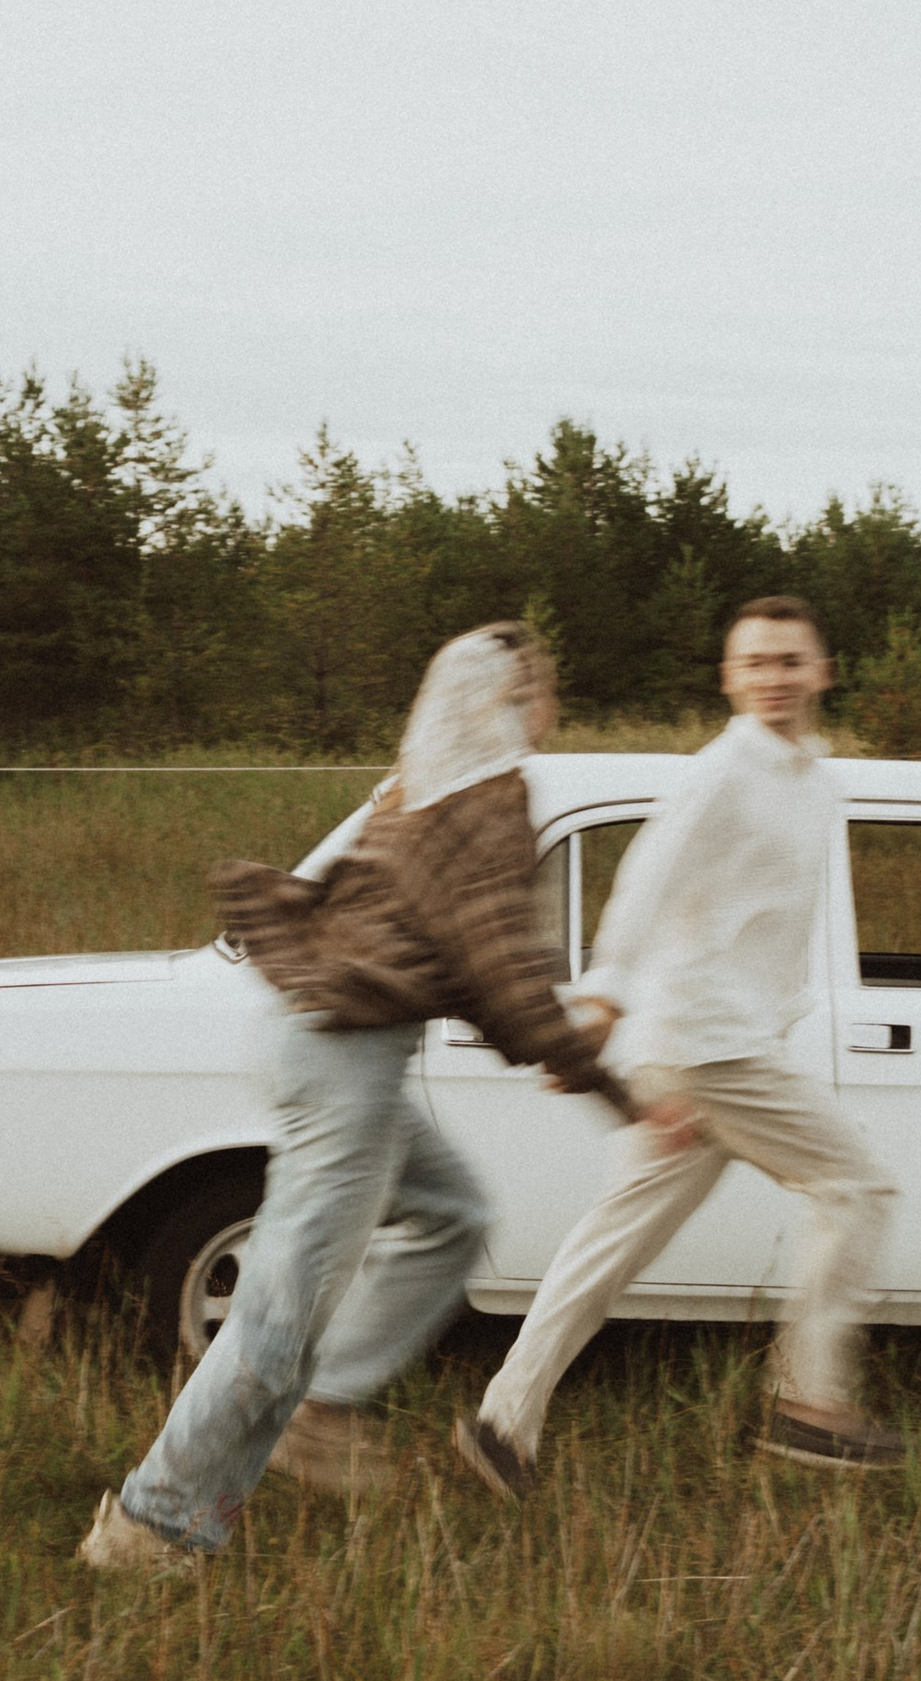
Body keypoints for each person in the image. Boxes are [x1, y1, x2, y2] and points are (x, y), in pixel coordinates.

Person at [80, 623, 649, 1574]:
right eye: (542, 688)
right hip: (343, 1058)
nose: (552, 706)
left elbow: (462, 954)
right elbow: (498, 958)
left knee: (451, 1211)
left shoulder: (422, 785)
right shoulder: (485, 797)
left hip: (321, 1042)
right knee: (279, 1308)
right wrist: (608, 1085)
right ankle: (153, 1523)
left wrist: (545, 1037)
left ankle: (326, 1399)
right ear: (507, 699)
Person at [452, 595, 904, 1494]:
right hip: (706, 1044)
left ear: (822, 671)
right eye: (756, 663)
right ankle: (811, 1405)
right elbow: (646, 878)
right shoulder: (722, 772)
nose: (773, 677)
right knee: (857, 1188)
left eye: (790, 661)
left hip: (712, 1041)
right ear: (730, 678)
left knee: (611, 1243)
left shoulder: (815, 780)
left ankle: (504, 1422)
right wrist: (606, 999)